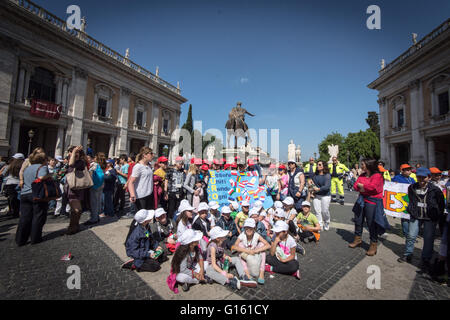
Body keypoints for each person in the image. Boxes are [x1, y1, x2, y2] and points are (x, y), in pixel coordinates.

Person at [398, 168, 445, 274]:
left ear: (428, 177)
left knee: (428, 239)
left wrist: (438, 214)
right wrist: (412, 210)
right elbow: (411, 200)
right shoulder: (412, 187)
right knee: (411, 235)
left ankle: (426, 259)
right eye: (419, 177)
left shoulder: (435, 189)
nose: (421, 179)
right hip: (416, 215)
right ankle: (408, 253)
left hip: (430, 217)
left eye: (424, 177)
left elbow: (441, 202)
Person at [349, 159, 388, 256]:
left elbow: (374, 188)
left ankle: (373, 244)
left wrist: (362, 187)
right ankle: (357, 239)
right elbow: (355, 186)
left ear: (368, 165)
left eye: (362, 164)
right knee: (358, 220)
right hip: (361, 200)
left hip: (372, 202)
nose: (361, 166)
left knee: (371, 223)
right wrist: (363, 187)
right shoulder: (362, 175)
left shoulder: (377, 176)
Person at [15, 148, 51, 246]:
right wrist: (50, 175)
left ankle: (20, 239)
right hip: (36, 194)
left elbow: (22, 176)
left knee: (25, 217)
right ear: (43, 160)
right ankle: (35, 238)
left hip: (24, 194)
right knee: (38, 216)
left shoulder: (27, 168)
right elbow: (41, 177)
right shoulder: (41, 167)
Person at [232, 218, 271, 285]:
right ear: (244, 228)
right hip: (245, 254)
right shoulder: (242, 235)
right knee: (240, 245)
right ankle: (247, 273)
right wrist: (247, 250)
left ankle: (262, 273)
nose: (249, 229)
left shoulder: (256, 235)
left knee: (262, 248)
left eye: (251, 228)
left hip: (254, 253)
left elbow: (268, 245)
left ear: (254, 228)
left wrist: (256, 250)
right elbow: (234, 247)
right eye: (247, 228)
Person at [65, 146, 90, 235]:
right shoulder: (69, 161)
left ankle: (73, 226)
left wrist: (75, 151)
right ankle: (73, 226)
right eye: (71, 152)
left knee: (77, 209)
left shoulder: (80, 162)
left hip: (77, 187)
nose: (73, 154)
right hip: (73, 187)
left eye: (75, 152)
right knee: (75, 209)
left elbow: (71, 164)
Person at [392, 164, 416, 238]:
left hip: (411, 201)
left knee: (411, 217)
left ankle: (411, 232)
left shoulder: (411, 179)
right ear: (402, 171)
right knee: (405, 217)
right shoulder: (397, 178)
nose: (409, 171)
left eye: (410, 170)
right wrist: (394, 184)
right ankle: (406, 233)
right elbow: (390, 186)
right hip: (402, 201)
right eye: (407, 170)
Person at [85, 152, 106, 225]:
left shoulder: (94, 164)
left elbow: (89, 174)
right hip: (101, 184)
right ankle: (96, 216)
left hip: (94, 185)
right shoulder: (103, 165)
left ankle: (94, 218)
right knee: (98, 201)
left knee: (93, 202)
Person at [310, 160, 332, 230]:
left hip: (325, 195)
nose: (317, 166)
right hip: (317, 195)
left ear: (323, 166)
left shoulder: (327, 175)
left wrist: (319, 189)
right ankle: (320, 225)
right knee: (317, 211)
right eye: (317, 165)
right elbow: (312, 184)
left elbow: (327, 186)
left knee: (325, 211)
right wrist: (311, 184)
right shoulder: (315, 175)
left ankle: (326, 222)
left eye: (319, 165)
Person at [1, 153, 24, 218]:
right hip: (19, 183)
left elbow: (3, 174)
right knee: (18, 198)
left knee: (11, 198)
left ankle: (12, 210)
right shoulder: (23, 166)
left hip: (10, 183)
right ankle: (17, 211)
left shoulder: (10, 165)